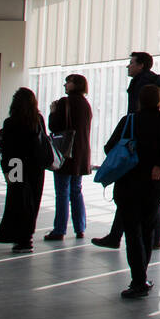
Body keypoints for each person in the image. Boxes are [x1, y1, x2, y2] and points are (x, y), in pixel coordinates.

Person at [106, 84, 160, 299]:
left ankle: (138, 279)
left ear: (140, 101)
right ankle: (143, 276)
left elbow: (108, 147)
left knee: (132, 232)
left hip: (128, 182)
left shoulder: (129, 121)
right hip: (153, 184)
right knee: (148, 230)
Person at [91, 52, 160, 251]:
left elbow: (133, 116)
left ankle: (118, 237)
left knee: (128, 195)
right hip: (155, 155)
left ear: (141, 65)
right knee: (153, 196)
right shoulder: (159, 88)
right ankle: (151, 237)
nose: (128, 66)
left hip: (136, 152)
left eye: (131, 63)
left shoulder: (141, 83)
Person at [0, 88, 48, 252]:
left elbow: (8, 150)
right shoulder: (38, 120)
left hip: (17, 165)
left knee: (17, 201)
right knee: (33, 201)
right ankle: (27, 237)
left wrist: (6, 171)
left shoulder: (11, 122)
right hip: (36, 167)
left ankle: (18, 236)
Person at [44, 74, 92, 241]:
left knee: (62, 191)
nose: (65, 84)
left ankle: (60, 229)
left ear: (75, 84)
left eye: (68, 81)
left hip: (65, 153)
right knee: (76, 190)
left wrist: (52, 112)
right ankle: (80, 228)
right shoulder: (86, 104)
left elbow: (55, 126)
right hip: (81, 153)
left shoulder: (65, 102)